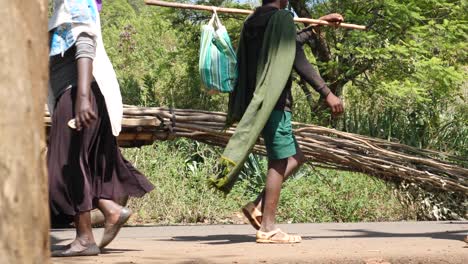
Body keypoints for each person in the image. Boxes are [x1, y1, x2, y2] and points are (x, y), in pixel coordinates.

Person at [214, 0, 344, 243]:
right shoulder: (280, 18)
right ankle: (268, 228)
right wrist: (327, 93)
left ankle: (257, 205)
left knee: (297, 155)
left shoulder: (253, 20)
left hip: (257, 101)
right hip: (275, 101)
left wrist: (317, 25)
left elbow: (290, 42)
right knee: (279, 160)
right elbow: (295, 56)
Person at [48, 0, 154, 257]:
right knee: (75, 165)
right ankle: (110, 210)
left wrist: (82, 97)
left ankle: (85, 237)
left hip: (78, 93)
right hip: (73, 94)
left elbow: (85, 42)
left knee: (62, 169)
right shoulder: (61, 8)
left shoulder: (75, 2)